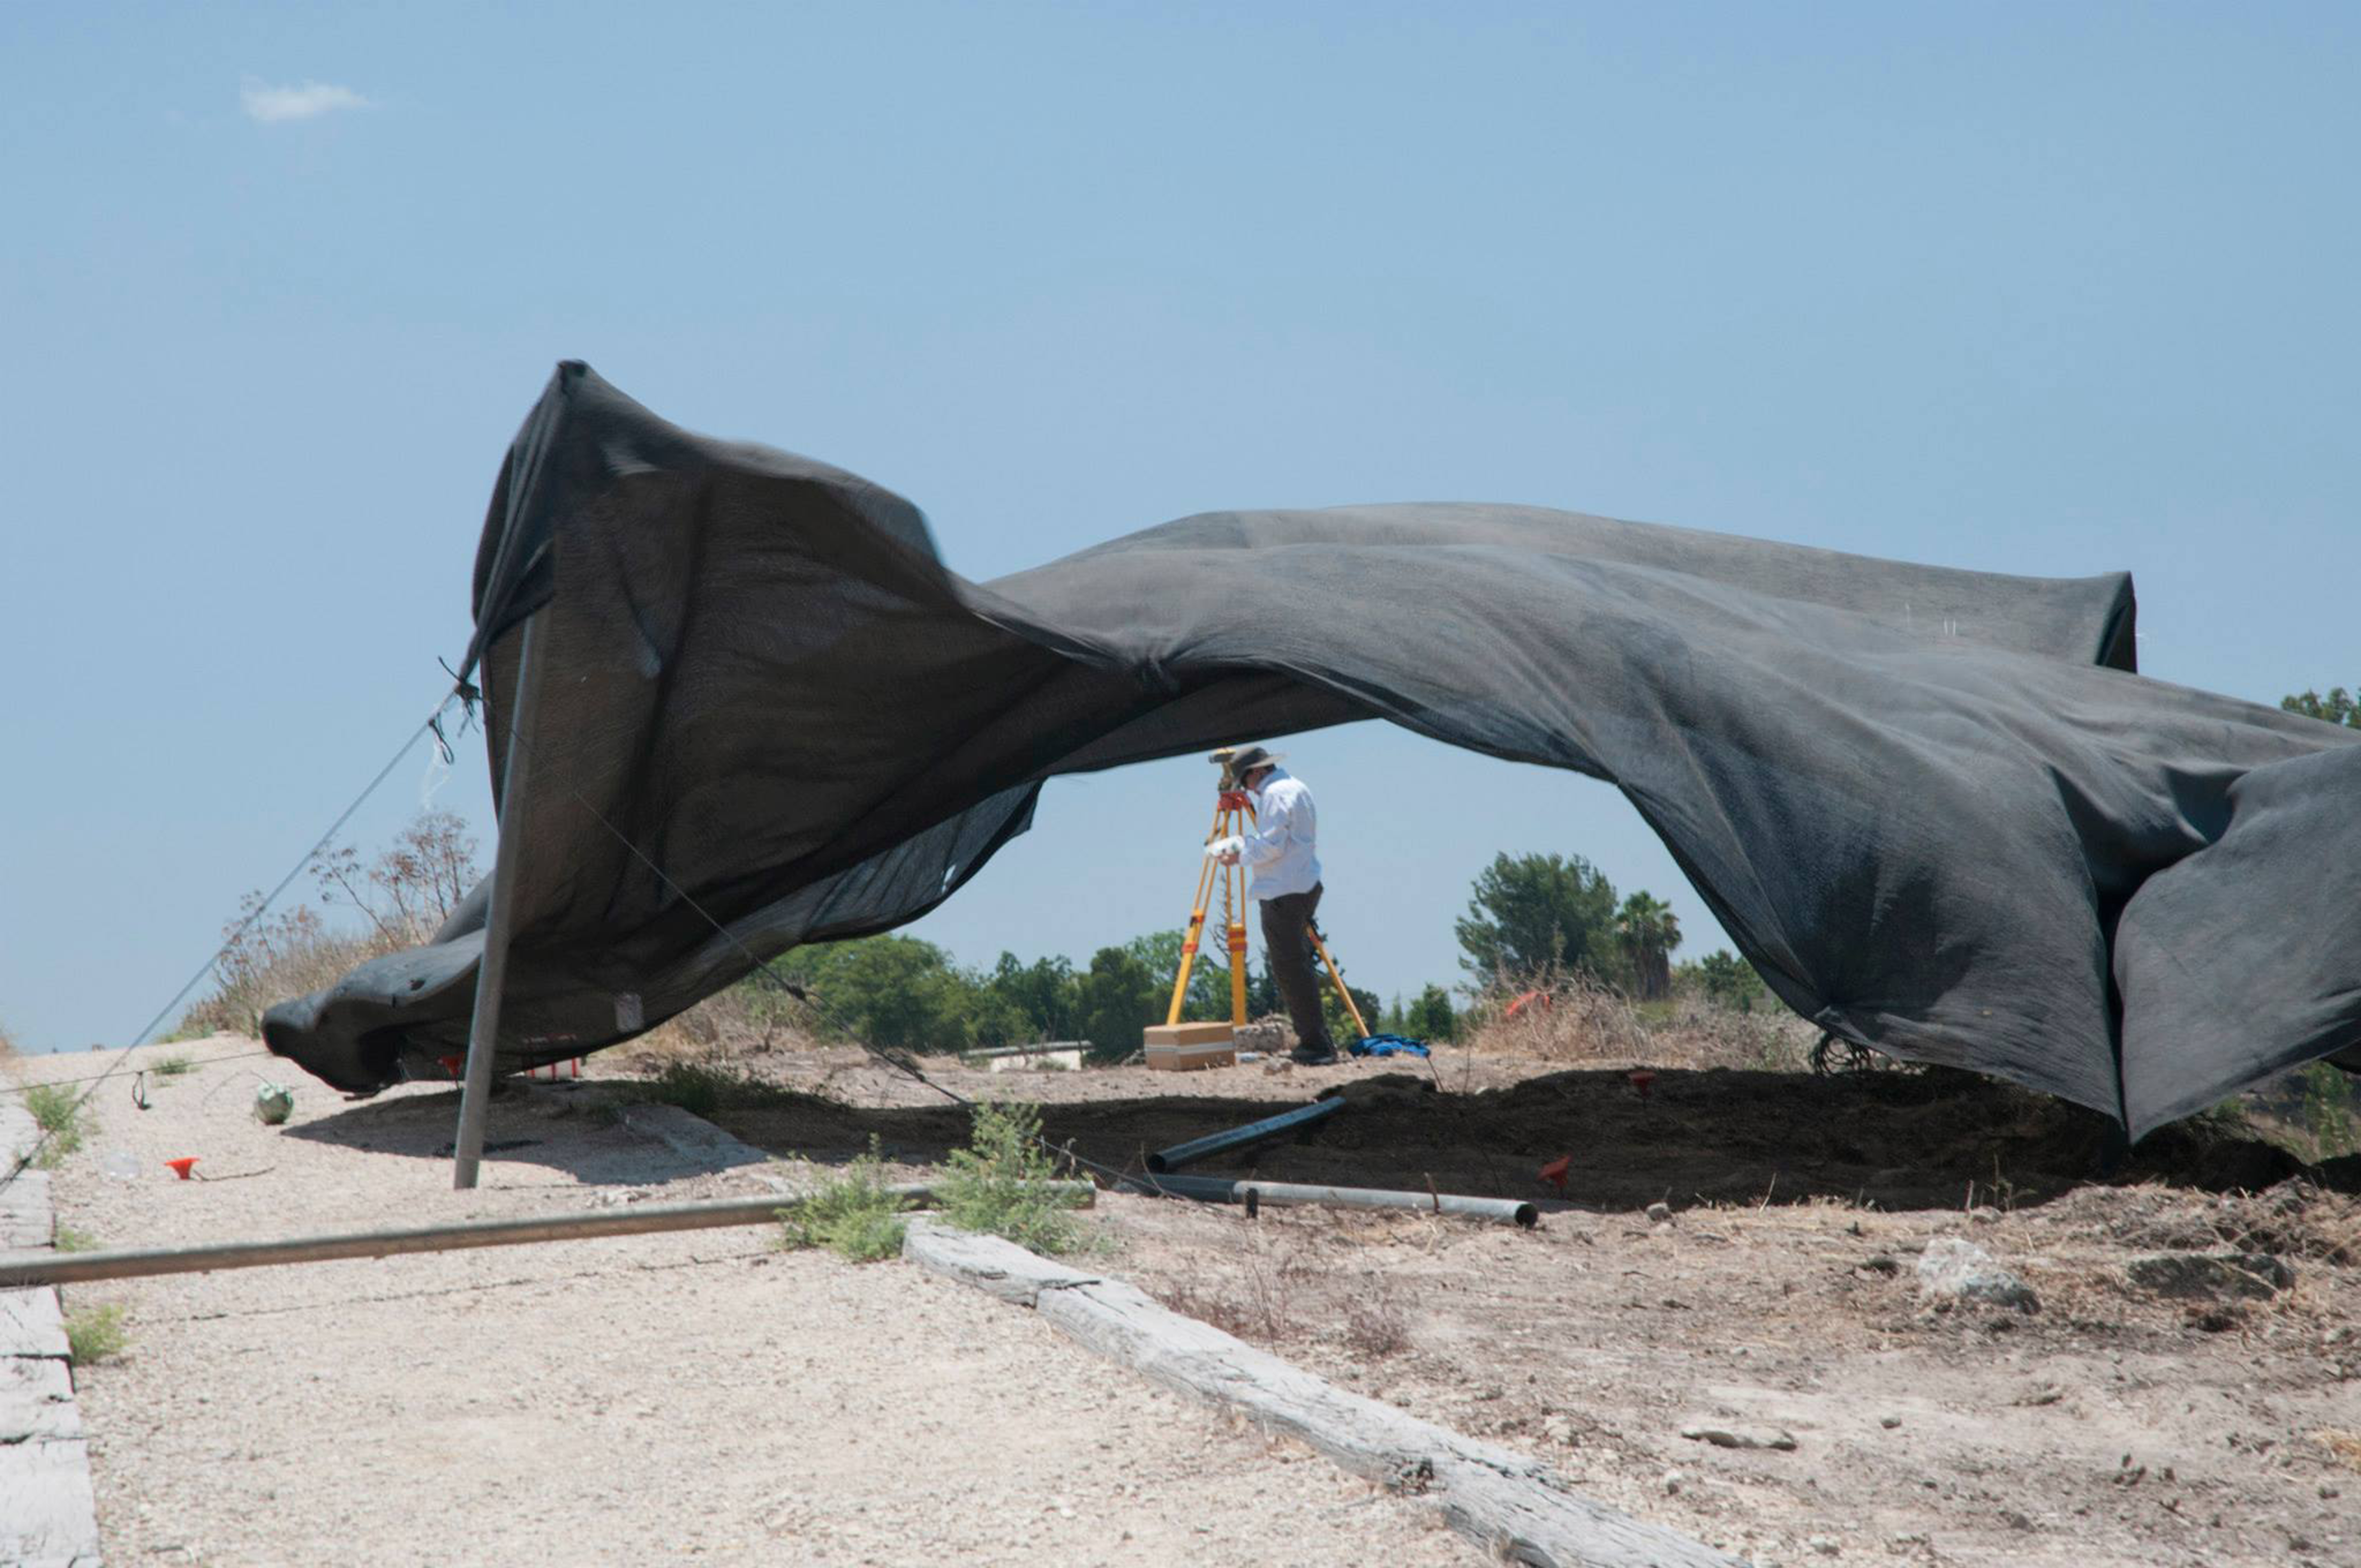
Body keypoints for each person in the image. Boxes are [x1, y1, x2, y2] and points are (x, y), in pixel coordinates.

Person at [1207, 744, 1336, 1065]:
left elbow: (1273, 846)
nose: (1247, 790)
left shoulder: (1275, 794)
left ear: (1257, 772)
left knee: (1291, 970)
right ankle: (1318, 1040)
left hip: (1283, 890)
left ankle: (1316, 1046)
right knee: (1298, 966)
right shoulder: (1296, 786)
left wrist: (1239, 855)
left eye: (1246, 782)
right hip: (1303, 883)